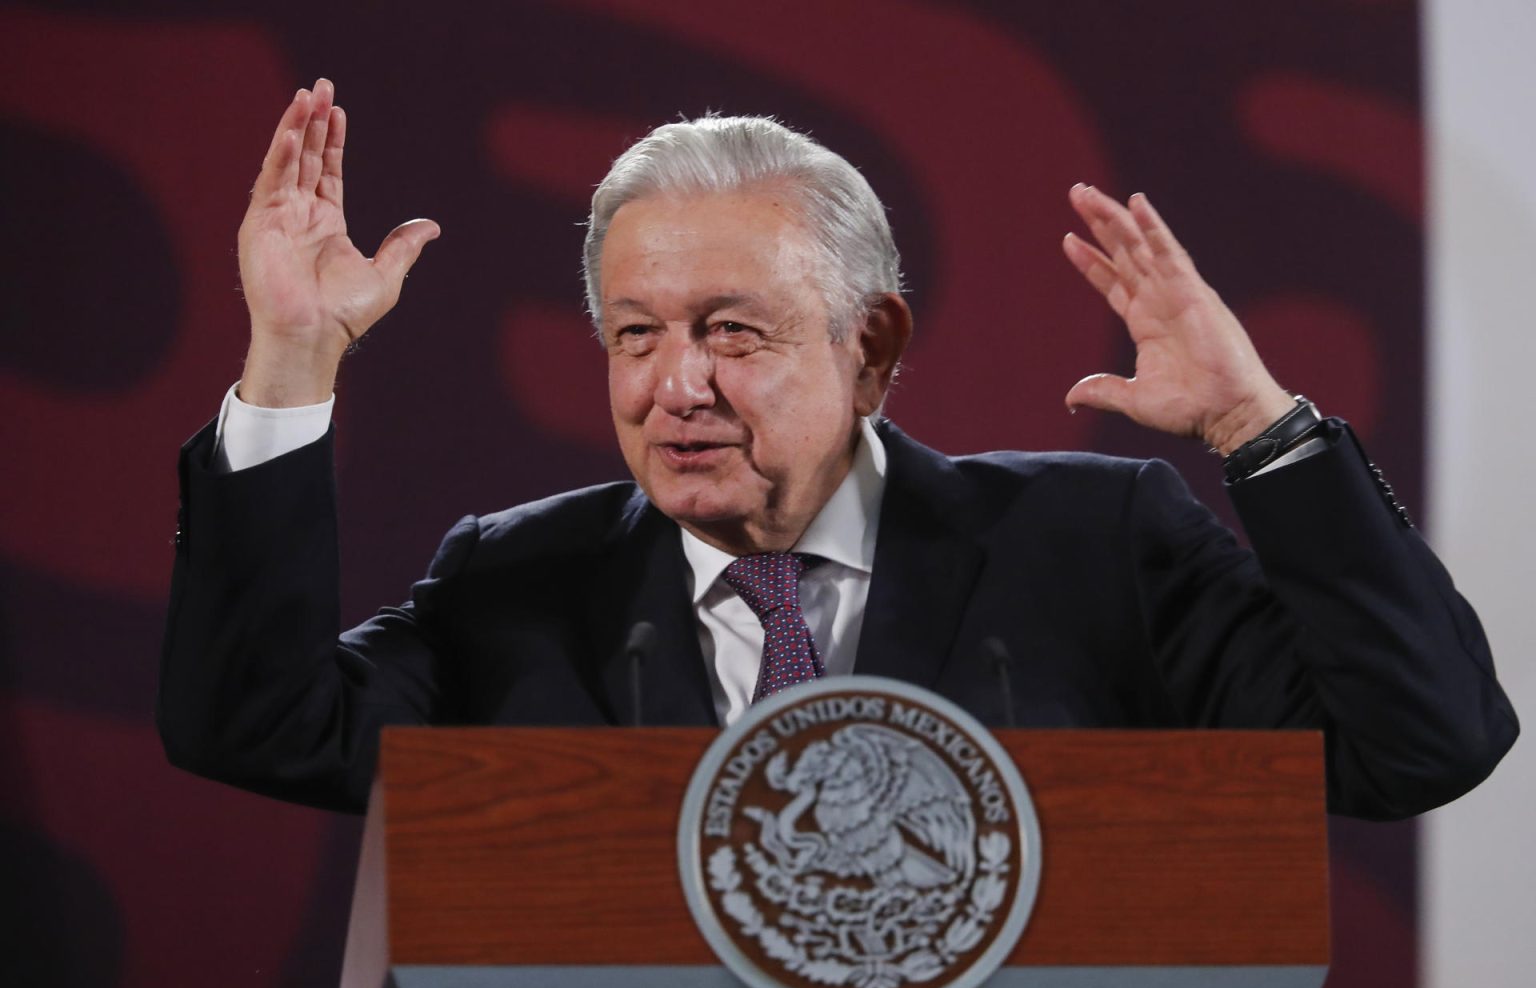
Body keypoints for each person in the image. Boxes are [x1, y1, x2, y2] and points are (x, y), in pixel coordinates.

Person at [157, 78, 1517, 819]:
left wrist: (1256, 427)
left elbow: (1424, 746)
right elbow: (257, 732)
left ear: (872, 348)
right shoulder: (518, 583)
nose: (673, 386)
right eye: (634, 336)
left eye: (733, 332)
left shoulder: (1098, 550)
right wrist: (289, 368)